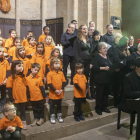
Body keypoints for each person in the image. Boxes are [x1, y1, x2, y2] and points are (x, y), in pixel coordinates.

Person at [6, 60, 29, 130]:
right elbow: (9, 88)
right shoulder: (11, 77)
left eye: (22, 66)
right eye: (19, 66)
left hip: (23, 97)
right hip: (15, 98)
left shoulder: (23, 77)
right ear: (14, 68)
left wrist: (28, 95)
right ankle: (15, 123)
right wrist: (11, 98)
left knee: (23, 110)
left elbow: (27, 86)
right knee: (14, 111)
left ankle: (23, 122)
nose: (21, 67)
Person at [91, 42, 112, 115]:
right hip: (99, 78)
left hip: (107, 78)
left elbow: (110, 64)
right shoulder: (97, 57)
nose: (106, 49)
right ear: (100, 50)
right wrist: (103, 68)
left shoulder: (107, 56)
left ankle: (104, 107)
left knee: (106, 94)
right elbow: (94, 67)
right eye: (104, 48)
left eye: (106, 48)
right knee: (99, 94)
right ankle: (98, 108)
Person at [73, 25, 92, 99]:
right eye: (84, 29)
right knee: (79, 79)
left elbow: (90, 51)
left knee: (86, 78)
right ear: (80, 30)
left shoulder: (88, 40)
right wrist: (79, 63)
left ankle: (86, 94)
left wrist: (91, 62)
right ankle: (78, 95)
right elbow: (76, 52)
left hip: (88, 61)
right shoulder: (77, 40)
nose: (85, 30)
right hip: (81, 62)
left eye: (86, 29)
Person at [47, 57, 66, 124]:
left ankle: (59, 115)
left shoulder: (61, 73)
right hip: (53, 93)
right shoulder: (49, 73)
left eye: (58, 63)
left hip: (60, 93)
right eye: (55, 63)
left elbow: (64, 82)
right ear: (52, 64)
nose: (57, 65)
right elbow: (49, 83)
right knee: (52, 105)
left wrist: (61, 89)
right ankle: (52, 116)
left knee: (59, 105)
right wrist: (55, 90)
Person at [90, 30, 101, 99]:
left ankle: (98, 93)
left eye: (99, 35)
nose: (98, 36)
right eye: (97, 35)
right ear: (94, 36)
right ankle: (92, 93)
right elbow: (90, 53)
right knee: (92, 79)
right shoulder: (91, 43)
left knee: (98, 79)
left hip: (99, 62)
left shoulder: (101, 43)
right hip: (93, 62)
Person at [0, 46, 10, 112]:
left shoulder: (5, 62)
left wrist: (6, 79)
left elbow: (8, 71)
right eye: (0, 51)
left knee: (3, 95)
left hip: (3, 82)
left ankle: (2, 107)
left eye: (2, 52)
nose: (1, 53)